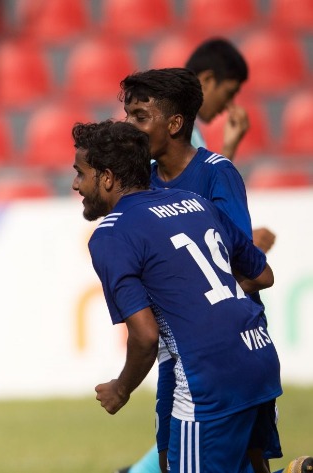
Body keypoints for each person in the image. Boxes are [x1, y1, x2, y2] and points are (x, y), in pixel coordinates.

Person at [71, 119, 285, 473]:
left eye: (81, 173)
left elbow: (145, 337)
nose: (76, 184)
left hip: (207, 376)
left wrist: (120, 389)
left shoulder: (111, 234)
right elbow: (263, 275)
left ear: (106, 177)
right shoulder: (195, 201)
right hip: (258, 356)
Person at [118, 67, 281, 473]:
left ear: (174, 124)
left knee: (242, 461)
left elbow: (241, 263)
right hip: (179, 352)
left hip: (226, 346)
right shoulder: (143, 184)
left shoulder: (217, 173)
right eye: (128, 116)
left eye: (140, 116)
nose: (130, 126)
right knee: (171, 458)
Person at [185, 37, 276, 253]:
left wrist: (229, 147)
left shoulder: (192, 132)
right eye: (229, 93)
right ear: (207, 80)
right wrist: (241, 239)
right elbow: (183, 209)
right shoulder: (174, 133)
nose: (229, 106)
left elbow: (202, 195)